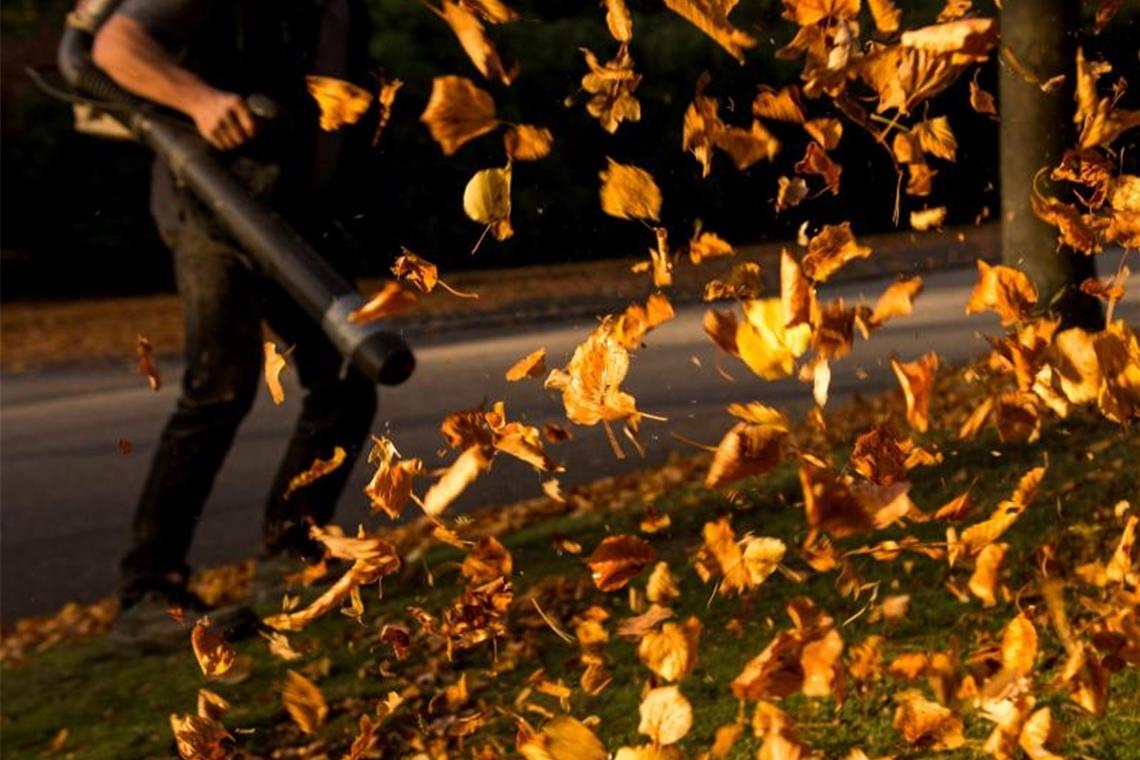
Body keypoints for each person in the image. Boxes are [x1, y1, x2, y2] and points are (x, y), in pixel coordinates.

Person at [92, 0, 378, 642]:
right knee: (222, 385)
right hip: (215, 210)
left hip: (295, 218)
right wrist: (198, 101)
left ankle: (292, 555)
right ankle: (146, 593)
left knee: (347, 378)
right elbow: (115, 45)